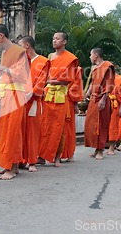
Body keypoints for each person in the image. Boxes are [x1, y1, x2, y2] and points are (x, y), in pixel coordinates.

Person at [0, 25, 30, 180]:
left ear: (1, 36)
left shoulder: (19, 52)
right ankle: (10, 165)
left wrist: (6, 69)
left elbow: (23, 75)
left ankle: (12, 168)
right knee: (5, 130)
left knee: (12, 130)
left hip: (16, 95)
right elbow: (2, 76)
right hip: (6, 95)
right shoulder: (5, 53)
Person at [39, 32, 79, 167]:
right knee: (44, 126)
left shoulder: (70, 58)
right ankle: (42, 156)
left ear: (64, 42)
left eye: (57, 39)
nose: (54, 41)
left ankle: (57, 157)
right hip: (48, 94)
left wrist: (51, 81)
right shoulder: (50, 57)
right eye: (53, 38)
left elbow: (68, 79)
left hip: (61, 96)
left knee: (59, 127)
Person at [17, 35, 49, 172]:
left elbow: (42, 81)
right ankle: (20, 159)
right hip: (20, 99)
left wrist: (31, 93)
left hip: (33, 99)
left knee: (32, 131)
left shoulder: (43, 61)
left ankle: (32, 161)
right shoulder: (22, 61)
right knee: (21, 131)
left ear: (27, 45)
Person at [83, 48, 114, 160]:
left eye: (90, 54)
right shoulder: (94, 68)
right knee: (91, 124)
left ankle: (101, 150)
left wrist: (104, 99)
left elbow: (109, 84)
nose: (89, 57)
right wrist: (88, 92)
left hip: (102, 98)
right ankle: (96, 147)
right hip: (93, 98)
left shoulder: (107, 67)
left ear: (96, 55)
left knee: (101, 124)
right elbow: (93, 81)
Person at [62, 66, 83, 162]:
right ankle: (56, 154)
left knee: (69, 128)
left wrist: (75, 103)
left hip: (68, 101)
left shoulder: (76, 70)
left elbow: (76, 87)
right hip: (54, 99)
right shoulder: (54, 66)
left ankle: (70, 153)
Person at [107, 71, 121, 155]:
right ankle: (101, 147)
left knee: (113, 126)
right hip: (105, 104)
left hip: (115, 105)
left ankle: (112, 147)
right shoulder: (104, 78)